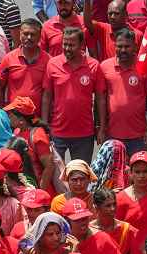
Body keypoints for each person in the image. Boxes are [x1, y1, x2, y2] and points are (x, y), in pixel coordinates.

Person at [42, 27, 106, 163]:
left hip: (84, 133)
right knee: (55, 176)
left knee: (81, 175)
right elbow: (47, 96)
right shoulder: (52, 64)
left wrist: (101, 128)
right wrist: (44, 125)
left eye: (71, 45)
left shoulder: (94, 66)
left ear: (82, 45)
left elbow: (100, 99)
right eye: (64, 44)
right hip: (57, 132)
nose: (67, 48)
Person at [99, 27, 147, 155]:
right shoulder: (104, 67)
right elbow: (100, 99)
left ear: (135, 46)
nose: (123, 50)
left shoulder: (145, 65)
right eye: (119, 46)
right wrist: (101, 128)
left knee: (137, 174)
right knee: (114, 174)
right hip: (112, 135)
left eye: (127, 46)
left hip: (138, 136)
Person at [0, 19, 50, 115]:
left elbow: (49, 93)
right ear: (20, 34)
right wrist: (0, 114)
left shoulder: (48, 61)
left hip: (36, 119)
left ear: (40, 37)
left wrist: (45, 122)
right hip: (14, 118)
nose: (28, 37)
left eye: (33, 34)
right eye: (25, 34)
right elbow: (0, 87)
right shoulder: (8, 59)